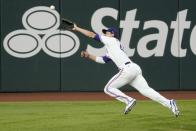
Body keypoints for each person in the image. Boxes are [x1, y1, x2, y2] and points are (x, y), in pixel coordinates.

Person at [72, 24, 180, 117]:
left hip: (127, 69)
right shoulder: (112, 47)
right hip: (134, 68)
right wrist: (89, 55)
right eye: (104, 33)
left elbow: (91, 34)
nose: (105, 34)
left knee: (108, 88)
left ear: (112, 34)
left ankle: (129, 100)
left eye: (107, 32)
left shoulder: (111, 40)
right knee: (146, 91)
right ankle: (170, 103)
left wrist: (77, 28)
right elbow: (102, 60)